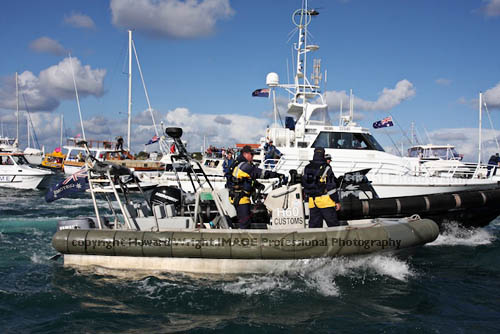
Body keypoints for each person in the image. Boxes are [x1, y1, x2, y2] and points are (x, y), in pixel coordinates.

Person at [230, 145, 285, 229]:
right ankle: (243, 240)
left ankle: (244, 238)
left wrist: (257, 185)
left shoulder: (240, 165)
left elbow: (246, 179)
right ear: (245, 154)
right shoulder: (244, 166)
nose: (253, 156)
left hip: (240, 197)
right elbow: (261, 173)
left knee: (245, 221)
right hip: (241, 199)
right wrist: (277, 175)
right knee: (244, 223)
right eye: (251, 154)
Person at [302, 147, 341, 228]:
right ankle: (336, 240)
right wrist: (336, 201)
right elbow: (331, 187)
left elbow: (304, 183)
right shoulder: (326, 167)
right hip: (326, 201)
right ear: (323, 154)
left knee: (315, 228)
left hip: (312, 202)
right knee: (334, 227)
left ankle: (315, 240)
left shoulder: (307, 167)